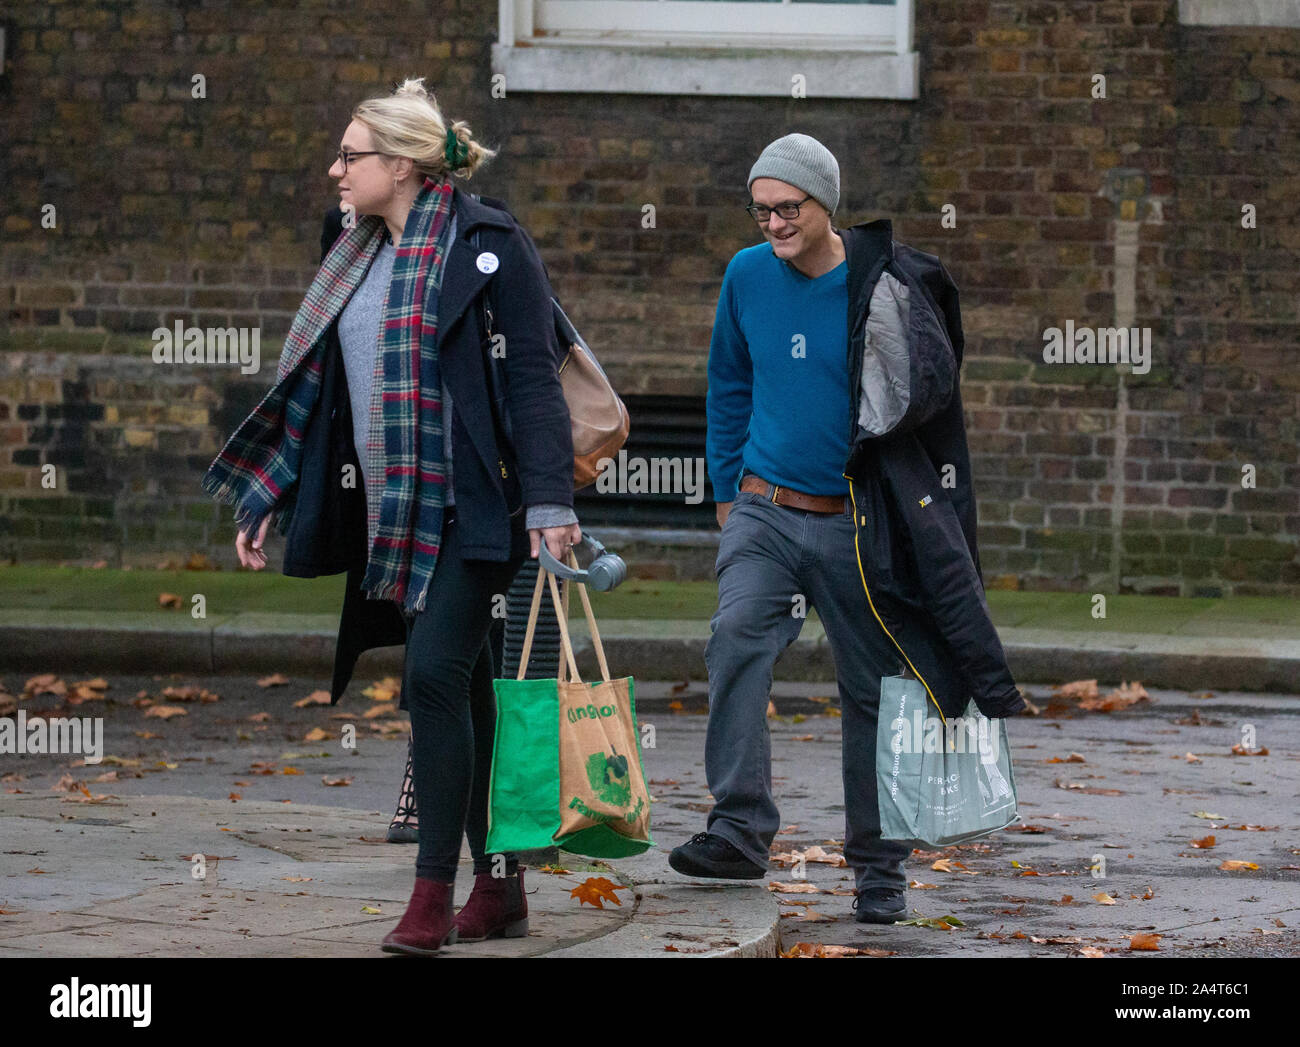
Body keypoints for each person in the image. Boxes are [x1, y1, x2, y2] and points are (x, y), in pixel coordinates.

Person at [203, 78, 579, 954]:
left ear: (402, 164)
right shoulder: (353, 249)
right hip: (392, 510)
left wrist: (552, 502)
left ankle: (429, 893)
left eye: (351, 154)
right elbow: (323, 389)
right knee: (476, 691)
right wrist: (276, 491)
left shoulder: (489, 243)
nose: (335, 169)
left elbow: (531, 376)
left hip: (479, 507)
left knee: (434, 677)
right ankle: (503, 883)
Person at [669, 133, 1025, 924]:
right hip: (763, 507)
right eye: (761, 211)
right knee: (734, 639)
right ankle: (738, 828)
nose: (772, 225)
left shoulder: (883, 285)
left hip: (855, 522)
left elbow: (931, 395)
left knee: (873, 692)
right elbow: (728, 379)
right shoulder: (745, 275)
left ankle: (877, 869)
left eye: (786, 208)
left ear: (825, 201)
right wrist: (727, 490)